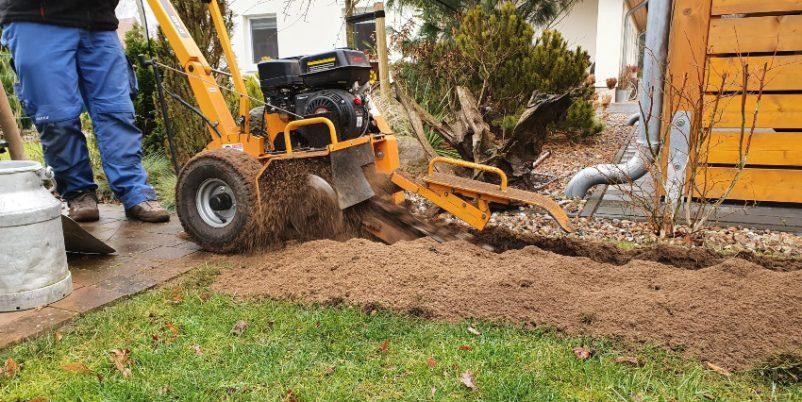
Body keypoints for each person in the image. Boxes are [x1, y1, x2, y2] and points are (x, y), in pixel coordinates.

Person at [0, 0, 169, 223]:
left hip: (97, 19)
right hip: (35, 16)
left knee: (116, 112)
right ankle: (78, 193)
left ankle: (135, 191)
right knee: (56, 118)